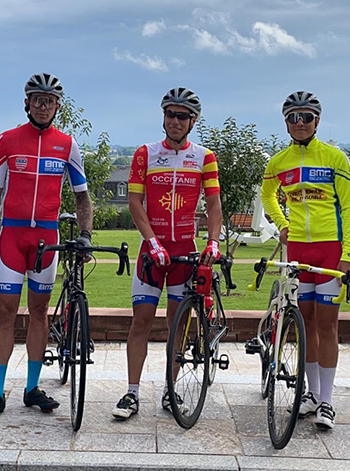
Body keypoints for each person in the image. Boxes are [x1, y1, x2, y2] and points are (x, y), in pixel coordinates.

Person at [0, 73, 93, 419]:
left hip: (47, 242)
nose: (42, 106)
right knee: (5, 315)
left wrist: (86, 234)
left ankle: (32, 388)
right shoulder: (7, 140)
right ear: (27, 103)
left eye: (49, 100)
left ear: (57, 106)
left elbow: (82, 197)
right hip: (12, 238)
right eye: (37, 99)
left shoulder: (68, 144)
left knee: (38, 313)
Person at [111, 87, 222, 420]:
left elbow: (214, 203)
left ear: (193, 121)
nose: (175, 121)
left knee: (178, 326)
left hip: (185, 252)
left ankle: (170, 391)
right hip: (152, 254)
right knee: (140, 322)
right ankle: (131, 393)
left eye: (182, 116)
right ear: (163, 117)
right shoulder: (145, 153)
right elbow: (135, 202)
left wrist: (213, 242)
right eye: (170, 114)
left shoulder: (205, 157)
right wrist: (152, 240)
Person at [259, 91, 350, 430]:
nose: (300, 123)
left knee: (328, 326)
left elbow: (349, 207)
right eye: (293, 118)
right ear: (285, 122)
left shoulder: (334, 157)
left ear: (318, 120)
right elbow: (267, 196)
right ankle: (311, 394)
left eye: (306, 117)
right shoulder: (279, 162)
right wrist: (283, 225)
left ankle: (327, 401)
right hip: (298, 250)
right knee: (306, 326)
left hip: (330, 249)